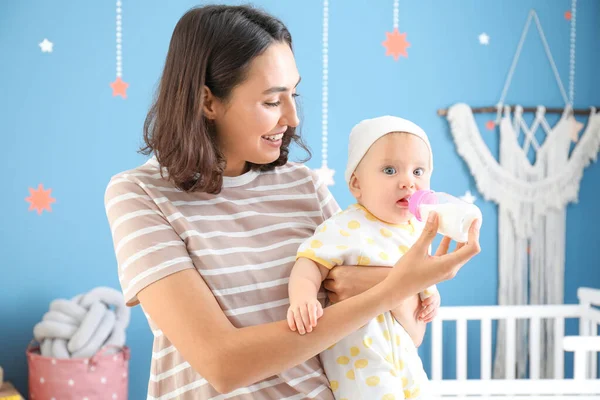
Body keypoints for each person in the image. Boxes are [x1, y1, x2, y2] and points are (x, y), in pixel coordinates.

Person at [104, 5, 481, 399]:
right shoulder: (139, 195)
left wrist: (397, 286)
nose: (294, 117)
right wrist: (392, 287)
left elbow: (408, 332)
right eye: (271, 101)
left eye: (293, 94)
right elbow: (223, 364)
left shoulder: (304, 186)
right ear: (208, 101)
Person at [288, 116, 443, 399]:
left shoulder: (418, 232)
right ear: (357, 184)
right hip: (361, 353)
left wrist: (431, 297)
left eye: (418, 171)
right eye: (389, 170)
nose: (408, 182)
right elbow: (309, 262)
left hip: (404, 352)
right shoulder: (348, 225)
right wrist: (303, 297)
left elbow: (420, 278)